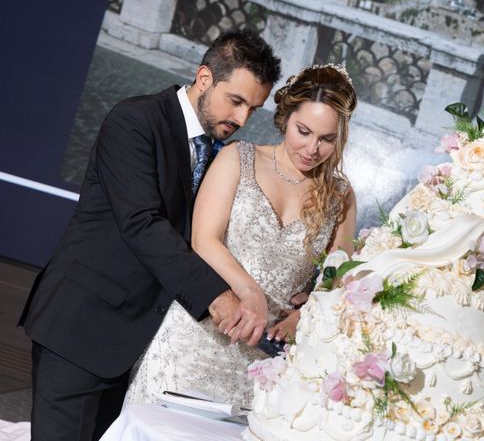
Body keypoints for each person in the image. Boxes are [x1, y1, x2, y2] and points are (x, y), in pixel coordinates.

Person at [18, 29, 281, 441]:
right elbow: (143, 225)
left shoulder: (218, 152)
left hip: (137, 345)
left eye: (255, 108)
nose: (243, 119)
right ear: (205, 77)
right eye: (237, 100)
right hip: (81, 329)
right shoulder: (135, 120)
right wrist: (218, 297)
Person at [124, 64, 358, 408]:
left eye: (326, 139)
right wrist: (249, 291)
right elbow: (204, 241)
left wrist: (304, 316)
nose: (311, 148)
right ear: (286, 118)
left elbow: (338, 276)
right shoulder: (238, 157)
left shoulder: (340, 194)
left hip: (265, 361)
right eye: (303, 131)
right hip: (196, 337)